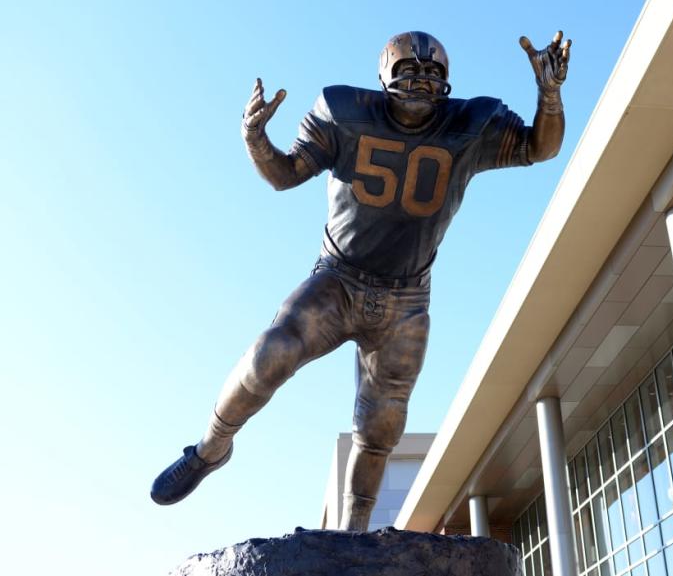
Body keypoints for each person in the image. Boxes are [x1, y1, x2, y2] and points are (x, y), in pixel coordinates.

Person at [151, 30, 571, 531]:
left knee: (381, 426)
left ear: (448, 82)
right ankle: (209, 449)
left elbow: (539, 147)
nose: (420, 81)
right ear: (383, 76)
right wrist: (255, 139)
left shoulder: (469, 125)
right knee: (271, 354)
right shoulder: (343, 111)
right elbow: (286, 174)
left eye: (432, 73)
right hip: (338, 278)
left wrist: (549, 97)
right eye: (408, 71)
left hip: (407, 297)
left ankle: (353, 537)